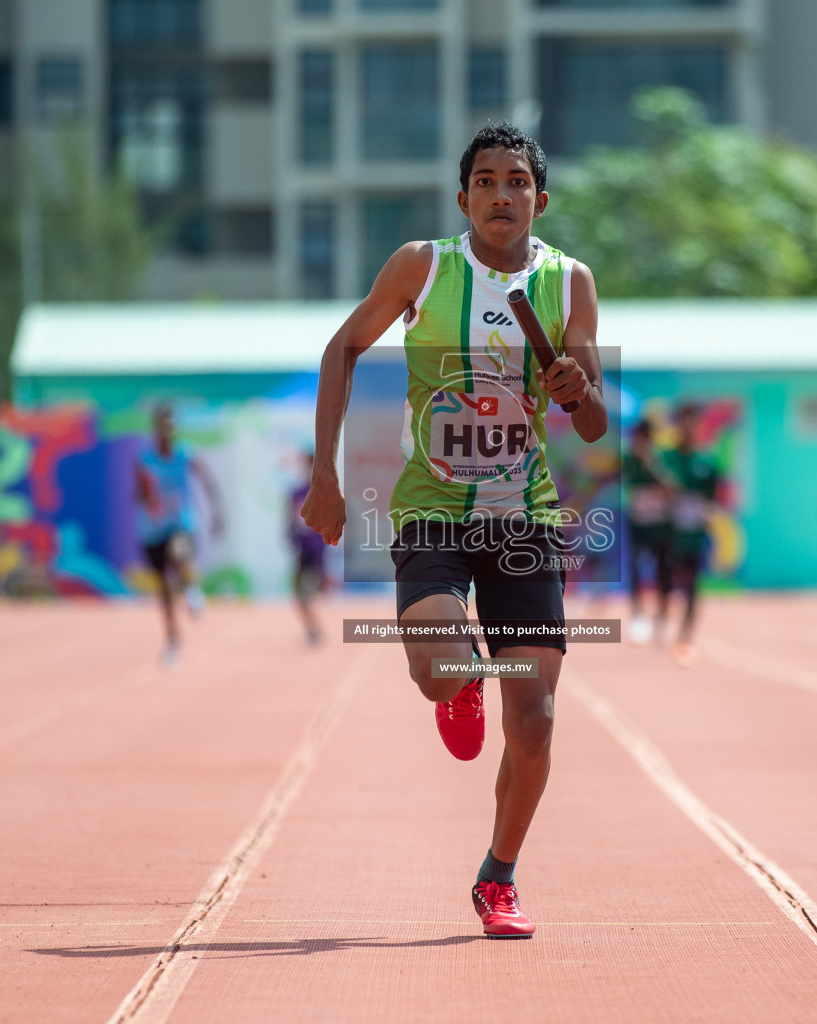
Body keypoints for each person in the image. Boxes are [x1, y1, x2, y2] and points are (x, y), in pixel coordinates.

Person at [300, 122, 606, 940]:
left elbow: (594, 424)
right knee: (440, 671)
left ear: (541, 197)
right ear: (463, 196)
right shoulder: (422, 267)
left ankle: (498, 877)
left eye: (517, 181)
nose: (501, 195)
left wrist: (577, 385)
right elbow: (343, 348)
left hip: (526, 518)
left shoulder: (570, 282)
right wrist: (324, 475)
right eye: (485, 181)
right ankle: (462, 680)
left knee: (535, 722)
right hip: (432, 508)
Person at [135, 404, 224, 668]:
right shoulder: (144, 459)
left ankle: (192, 590)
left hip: (180, 523)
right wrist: (147, 498)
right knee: (163, 589)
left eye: (171, 423)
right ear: (156, 427)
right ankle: (173, 639)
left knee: (180, 549)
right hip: (152, 529)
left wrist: (217, 512)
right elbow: (137, 494)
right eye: (163, 423)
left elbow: (208, 481)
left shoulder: (185, 455)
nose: (167, 428)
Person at [657, 404, 719, 667]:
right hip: (669, 533)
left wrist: (705, 512)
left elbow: (713, 498)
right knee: (667, 582)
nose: (688, 429)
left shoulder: (706, 462)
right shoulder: (666, 459)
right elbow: (658, 490)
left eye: (692, 423)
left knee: (693, 586)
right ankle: (663, 622)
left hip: (694, 533)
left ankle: (685, 636)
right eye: (683, 423)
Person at [623, 418, 672, 645]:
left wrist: (651, 465)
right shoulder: (630, 460)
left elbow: (671, 488)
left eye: (644, 438)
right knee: (635, 570)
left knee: (663, 572)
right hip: (638, 523)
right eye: (637, 438)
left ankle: (662, 616)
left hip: (660, 525)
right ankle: (638, 615)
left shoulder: (661, 459)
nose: (639, 443)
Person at [287, 451, 328, 646]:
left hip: (316, 551)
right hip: (302, 551)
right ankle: (313, 627)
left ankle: (314, 628)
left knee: (307, 594)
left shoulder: (325, 492)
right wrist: (290, 536)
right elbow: (290, 519)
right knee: (299, 596)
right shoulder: (296, 493)